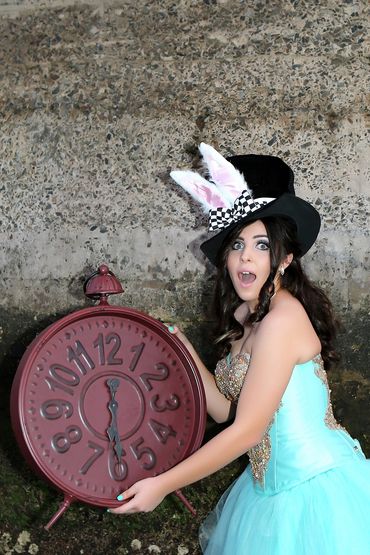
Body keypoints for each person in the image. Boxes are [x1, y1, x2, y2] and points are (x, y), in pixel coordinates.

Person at [109, 143, 370, 554]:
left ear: (285, 259)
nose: (245, 257)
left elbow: (246, 431)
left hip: (316, 490)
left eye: (262, 245)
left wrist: (163, 484)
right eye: (237, 244)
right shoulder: (245, 320)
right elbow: (226, 412)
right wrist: (182, 349)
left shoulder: (282, 320)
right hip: (267, 492)